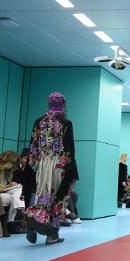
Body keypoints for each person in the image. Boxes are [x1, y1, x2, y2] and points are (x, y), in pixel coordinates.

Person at [24, 92, 78, 245]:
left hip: (42, 165)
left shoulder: (38, 121)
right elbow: (69, 148)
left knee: (42, 196)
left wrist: (34, 165)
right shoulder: (66, 123)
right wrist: (71, 168)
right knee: (59, 198)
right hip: (59, 165)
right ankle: (52, 234)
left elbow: (33, 146)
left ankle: (33, 220)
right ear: (63, 104)